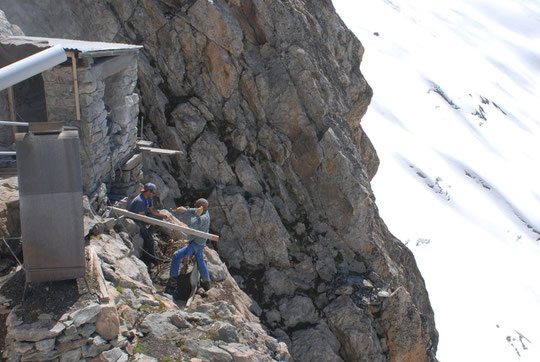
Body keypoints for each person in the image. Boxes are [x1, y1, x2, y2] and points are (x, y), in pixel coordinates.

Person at [169, 198, 213, 292]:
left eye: (196, 205)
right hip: (200, 243)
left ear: (201, 207)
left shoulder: (203, 218)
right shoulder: (204, 212)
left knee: (177, 255)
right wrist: (186, 210)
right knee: (200, 261)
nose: (195, 207)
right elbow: (196, 211)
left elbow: (192, 227)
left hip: (195, 244)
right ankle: (207, 282)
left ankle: (173, 281)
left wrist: (195, 215)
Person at [128, 182, 168, 263]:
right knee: (149, 238)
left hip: (143, 215)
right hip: (136, 219)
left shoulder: (148, 198)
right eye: (153, 192)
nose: (153, 194)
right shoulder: (140, 201)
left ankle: (150, 231)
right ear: (148, 191)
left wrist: (162, 215)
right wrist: (151, 222)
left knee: (160, 220)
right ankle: (153, 258)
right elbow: (141, 217)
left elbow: (151, 211)